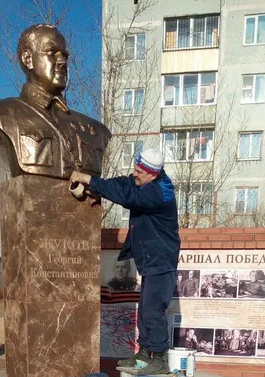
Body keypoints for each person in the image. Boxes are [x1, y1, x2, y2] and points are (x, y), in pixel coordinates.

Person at [70, 148, 180, 375]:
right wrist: (96, 187)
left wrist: (88, 179)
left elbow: (127, 197)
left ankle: (159, 358)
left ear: (152, 174)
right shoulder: (146, 182)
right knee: (145, 311)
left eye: (139, 171)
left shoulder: (160, 193)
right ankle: (144, 353)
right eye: (135, 168)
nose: (135, 173)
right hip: (151, 261)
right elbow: (123, 184)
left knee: (153, 310)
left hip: (161, 260)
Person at [0, 24, 111, 179]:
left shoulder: (96, 130)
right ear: (28, 59)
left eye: (64, 55)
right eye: (51, 53)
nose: (62, 62)